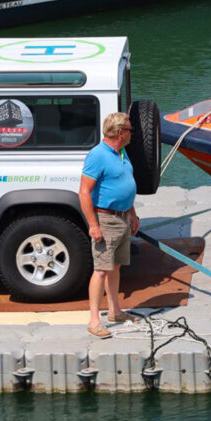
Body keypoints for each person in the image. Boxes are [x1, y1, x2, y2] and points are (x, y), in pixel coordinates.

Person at [79, 112, 140, 339]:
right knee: (101, 269)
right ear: (121, 132)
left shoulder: (122, 152)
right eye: (130, 130)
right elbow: (84, 192)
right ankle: (94, 320)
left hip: (123, 217)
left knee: (115, 267)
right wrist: (93, 225)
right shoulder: (98, 155)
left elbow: (126, 184)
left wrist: (133, 214)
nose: (133, 134)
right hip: (105, 219)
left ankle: (115, 311)